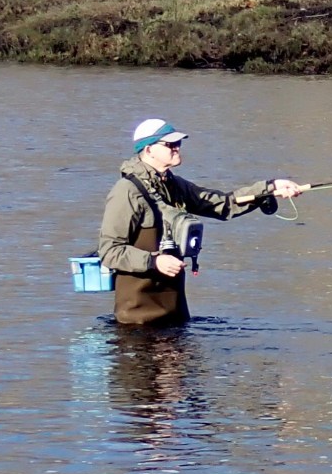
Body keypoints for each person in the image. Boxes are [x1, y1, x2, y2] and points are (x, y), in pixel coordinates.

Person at [97, 118, 308, 326]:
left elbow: (223, 204)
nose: (177, 148)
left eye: (178, 144)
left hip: (174, 314)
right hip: (137, 319)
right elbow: (109, 251)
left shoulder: (174, 185)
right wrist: (155, 261)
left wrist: (269, 188)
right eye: (170, 144)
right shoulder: (126, 191)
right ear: (149, 150)